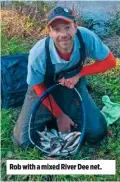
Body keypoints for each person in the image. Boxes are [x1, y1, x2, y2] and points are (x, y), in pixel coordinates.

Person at [13, 6, 116, 148]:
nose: (63, 34)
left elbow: (110, 62)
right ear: (49, 32)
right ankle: (57, 116)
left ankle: (68, 107)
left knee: (97, 132)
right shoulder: (38, 53)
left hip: (73, 83)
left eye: (67, 27)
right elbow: (37, 85)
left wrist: (79, 74)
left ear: (75, 26)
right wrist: (59, 115)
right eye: (56, 29)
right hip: (44, 86)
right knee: (23, 141)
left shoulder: (86, 37)